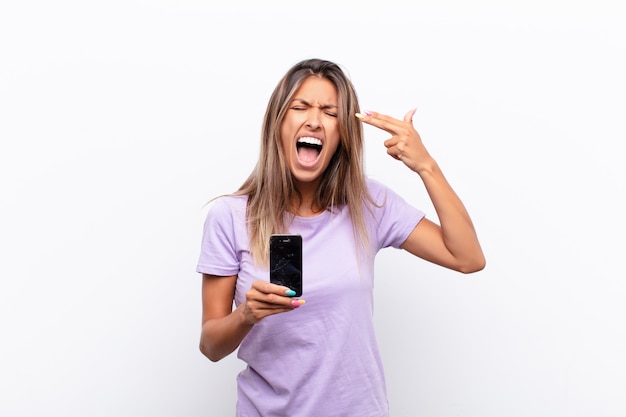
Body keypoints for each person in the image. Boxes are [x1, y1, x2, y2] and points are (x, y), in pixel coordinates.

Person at [196, 58, 485, 417]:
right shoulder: (230, 217)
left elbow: (468, 258)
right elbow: (210, 345)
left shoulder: (369, 204)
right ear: (277, 123)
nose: (314, 120)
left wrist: (426, 166)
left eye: (329, 112)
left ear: (343, 134)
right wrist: (246, 315)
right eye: (299, 107)